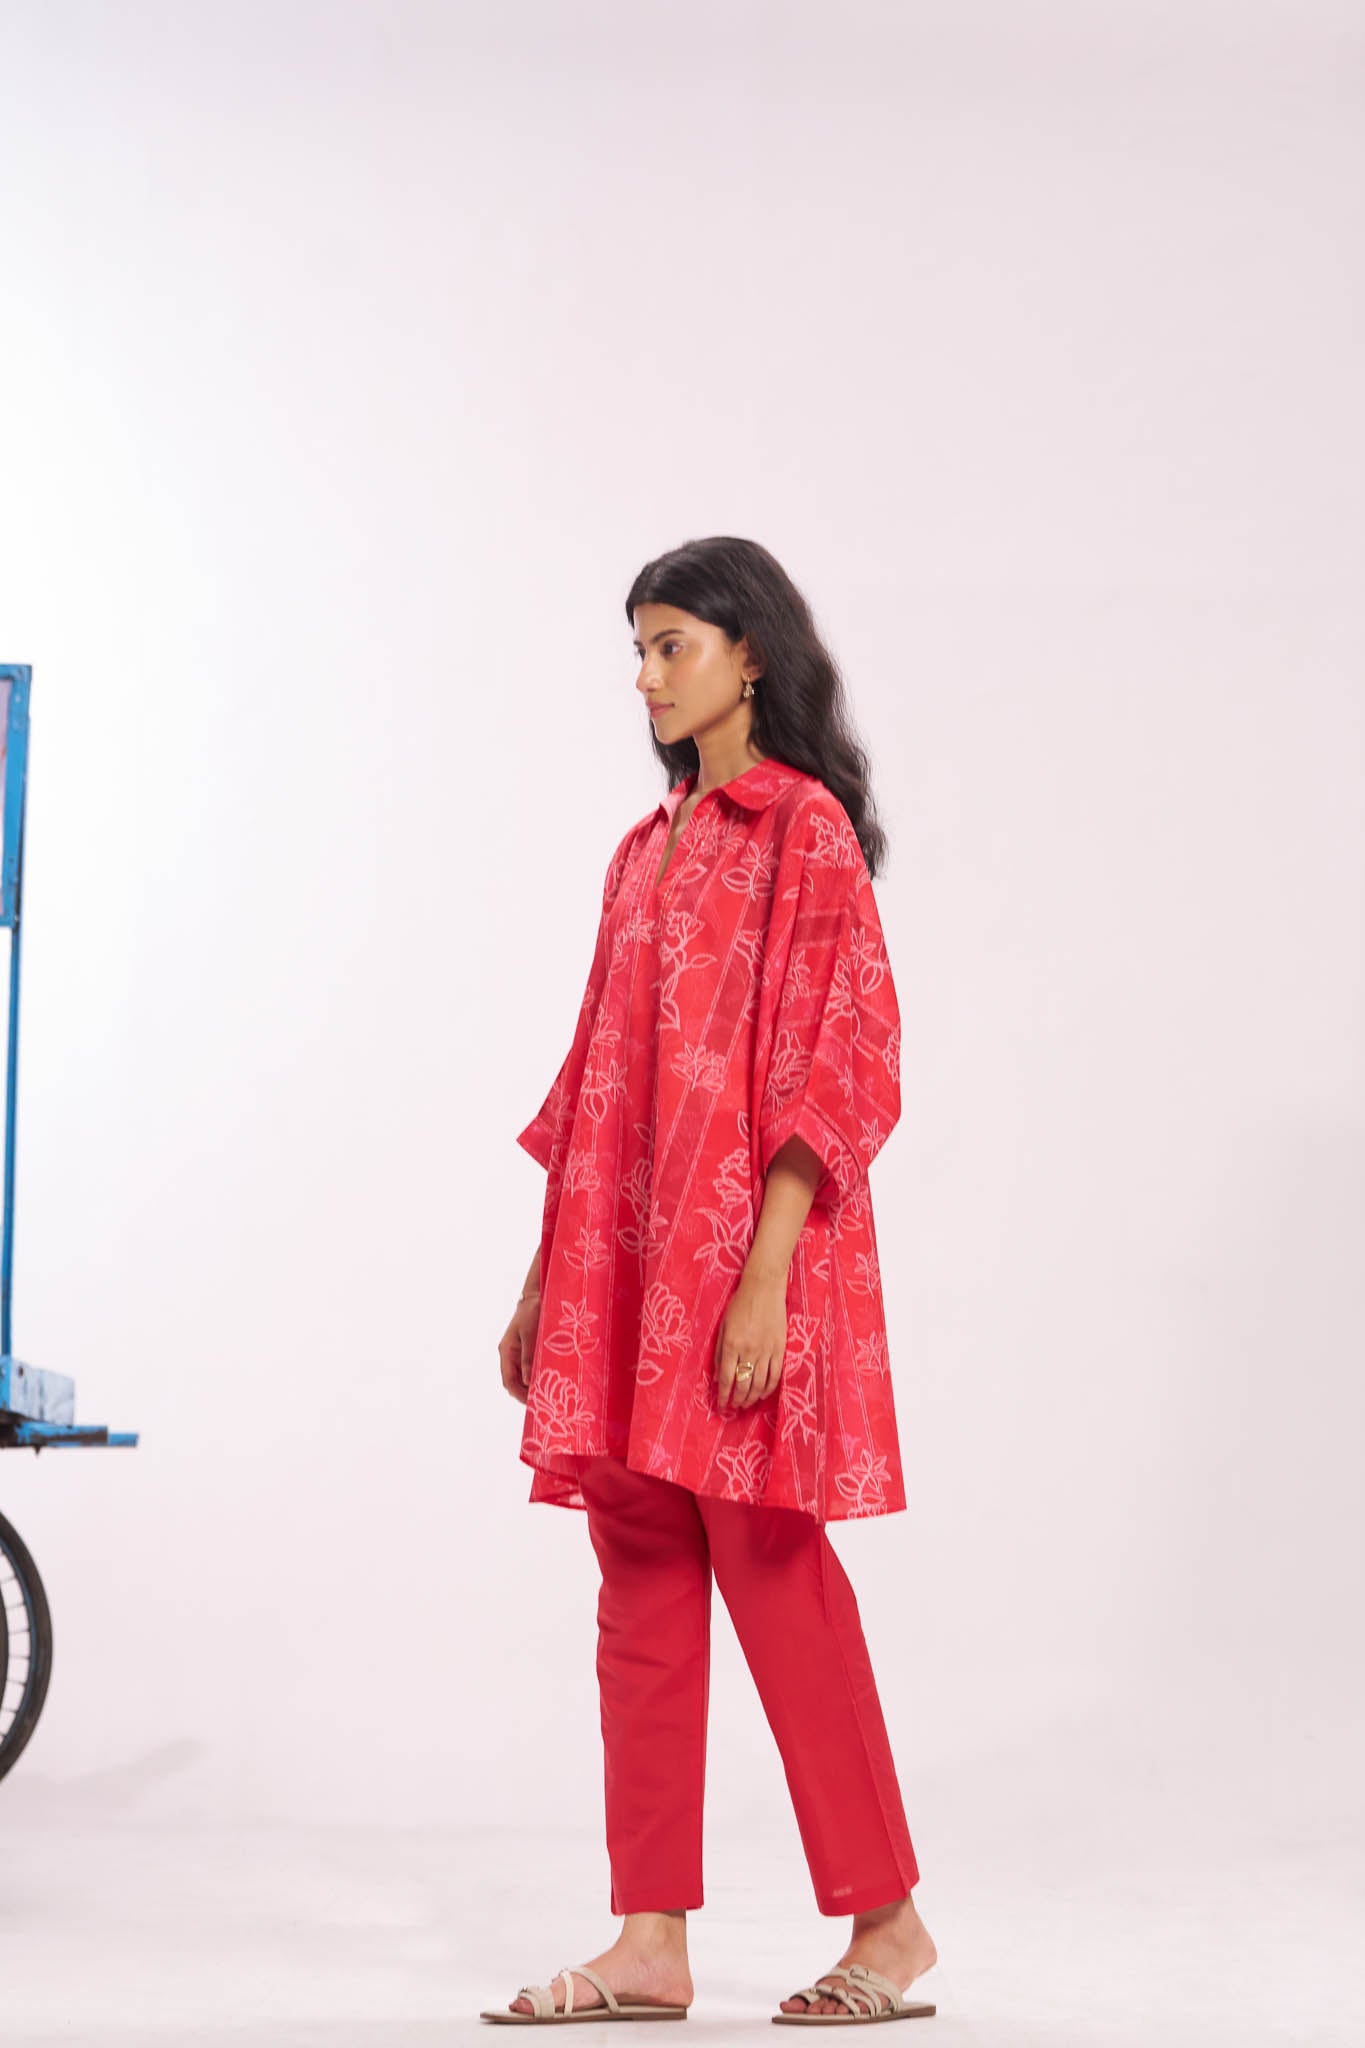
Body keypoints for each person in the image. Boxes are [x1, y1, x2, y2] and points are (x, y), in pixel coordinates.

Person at [484, 538, 939, 2027]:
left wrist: (763, 1282)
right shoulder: (645, 849)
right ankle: (649, 1940)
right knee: (640, 1584)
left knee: (774, 1571)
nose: (645, 675)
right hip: (620, 1272)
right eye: (637, 649)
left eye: (669, 644)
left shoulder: (802, 831)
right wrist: (546, 1279)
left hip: (742, 1265)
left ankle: (888, 1925)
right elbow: (595, 1082)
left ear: (750, 654)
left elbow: (841, 1060)